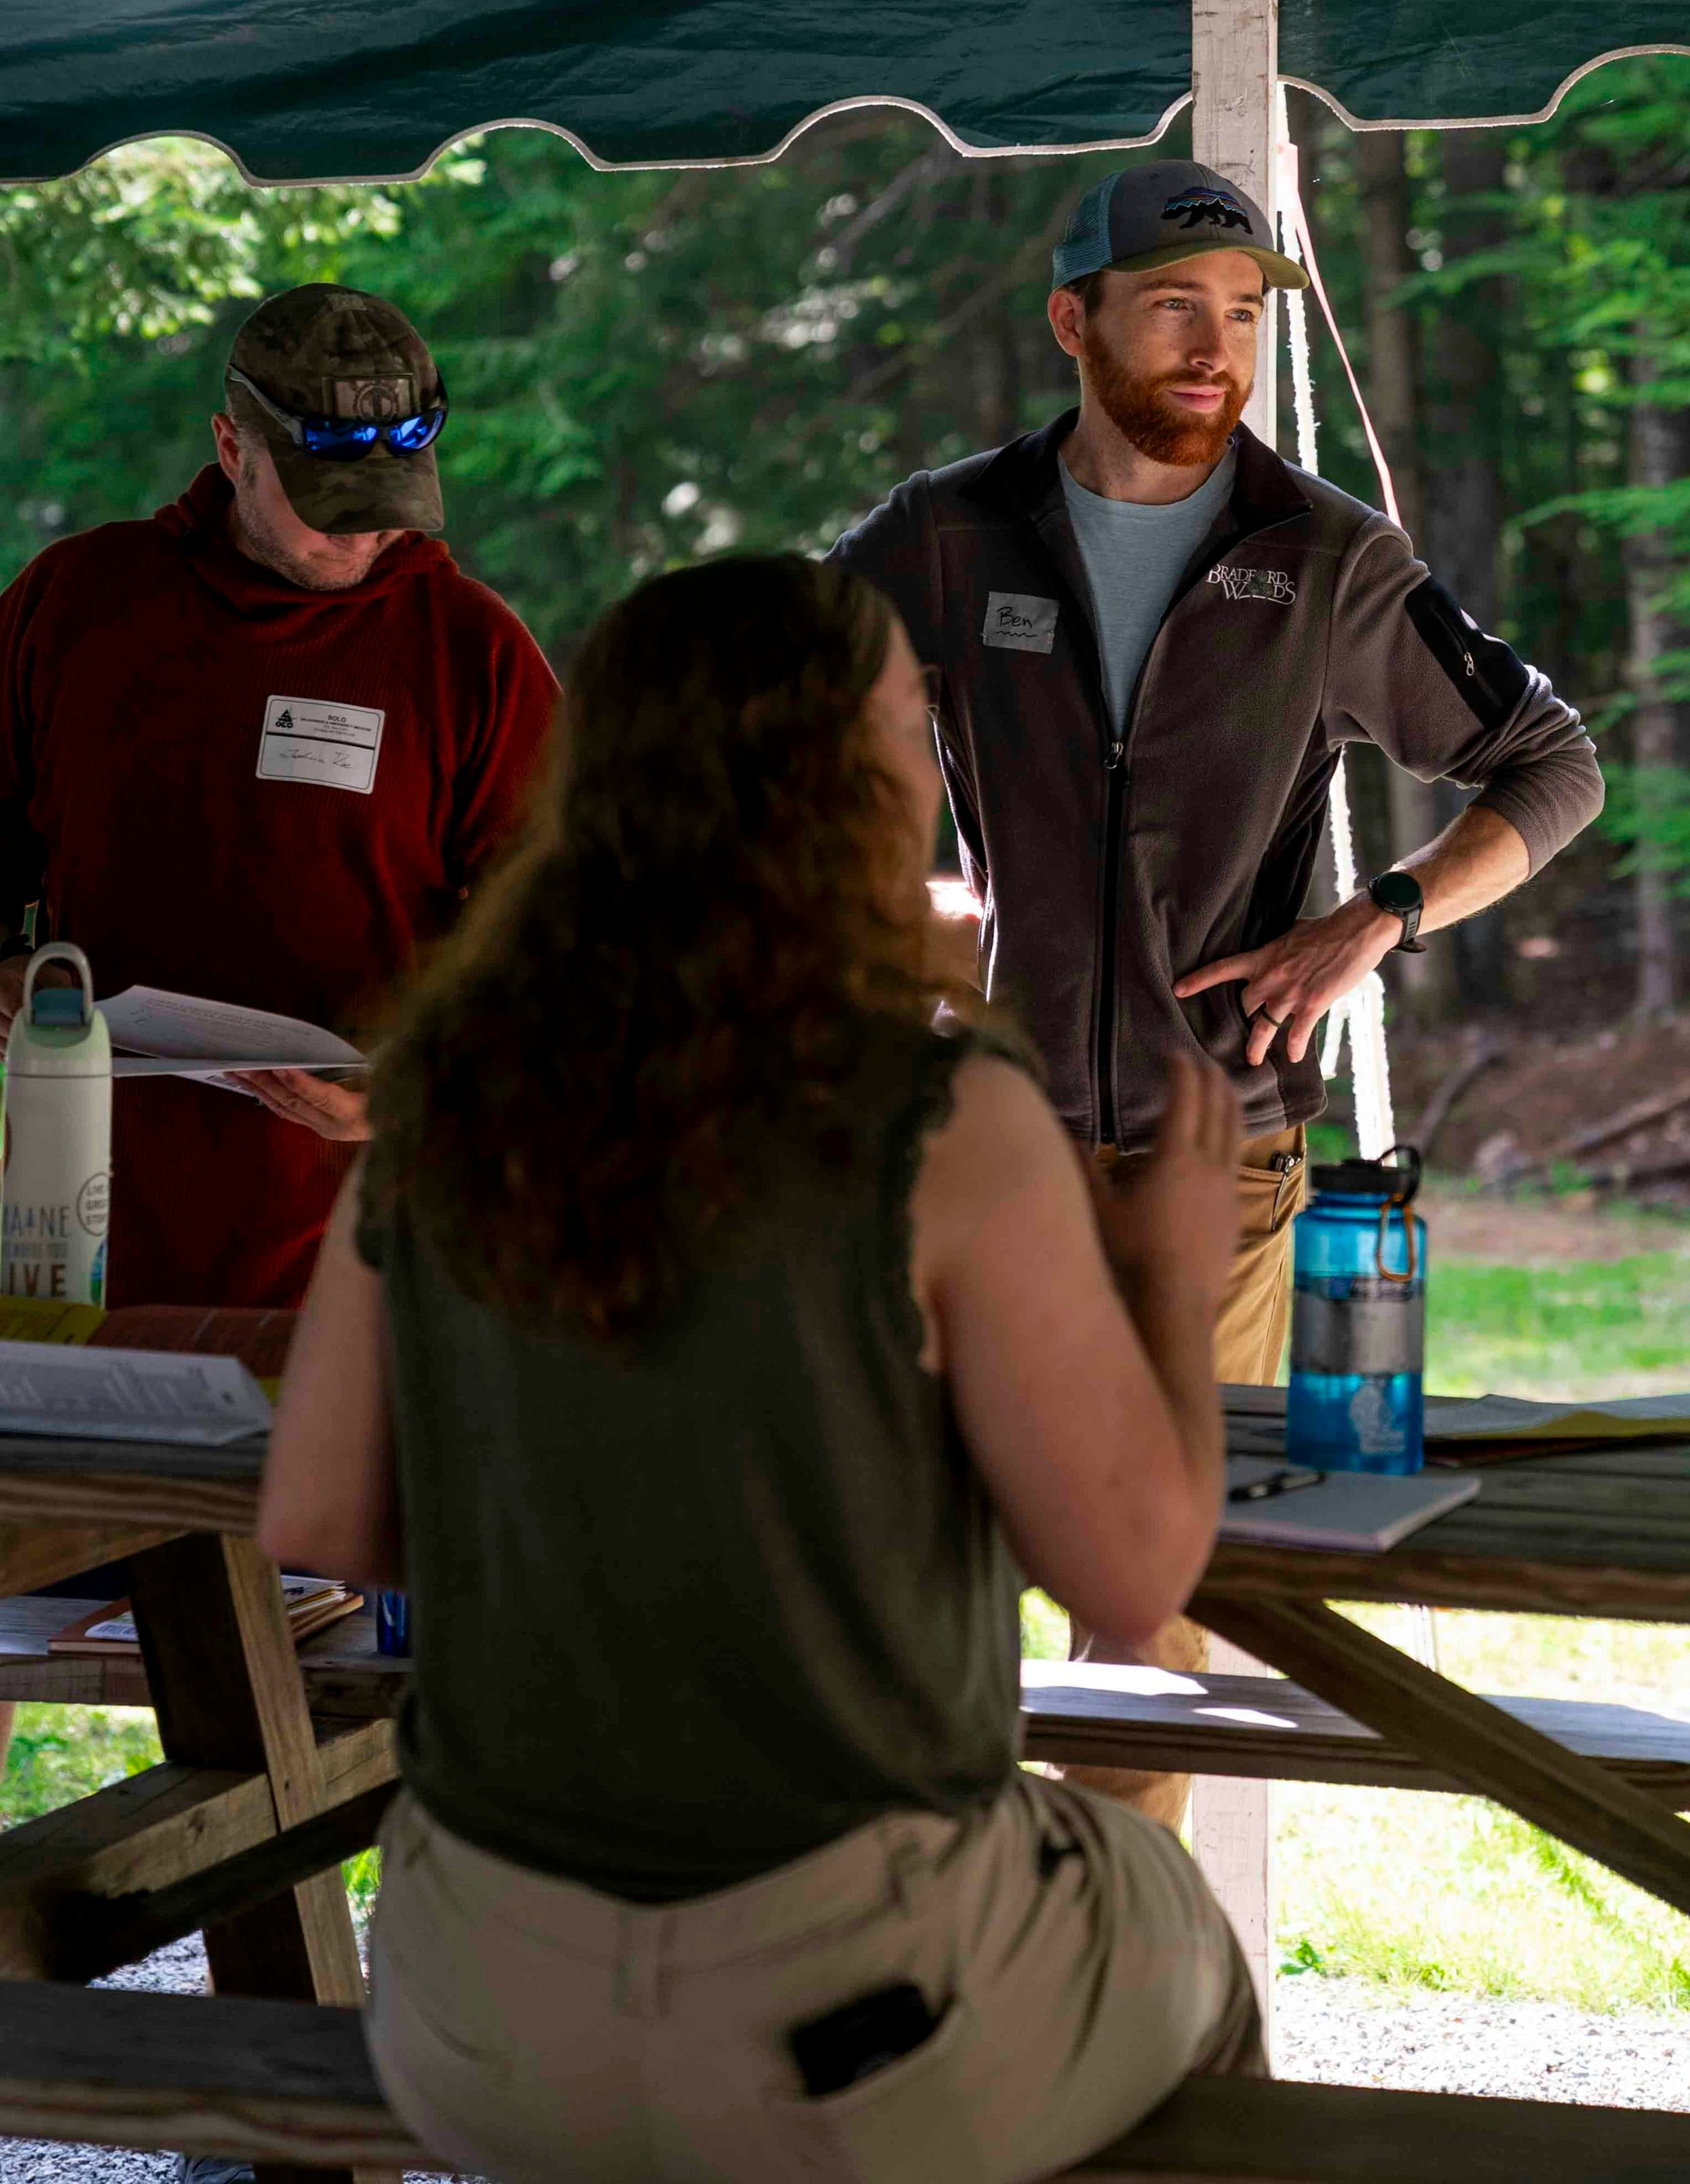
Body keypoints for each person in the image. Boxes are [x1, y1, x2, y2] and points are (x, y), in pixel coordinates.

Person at [258, 556, 1261, 2184]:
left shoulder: (451, 1095)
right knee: (1163, 1914)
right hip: (847, 2021)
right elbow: (1133, 1576)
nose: (940, 773)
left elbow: (321, 1513)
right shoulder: (946, 1119)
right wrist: (1168, 1281)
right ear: (844, 787)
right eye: (917, 732)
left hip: (476, 2006)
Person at [834, 158, 1604, 1824]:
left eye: (1243, 313)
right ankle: (930, 1971)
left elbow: (1550, 767)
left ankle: (1110, 2013)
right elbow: (771, 759)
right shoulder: (941, 539)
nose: (1214, 346)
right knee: (914, 1575)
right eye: (1175, 305)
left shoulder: (1322, 555)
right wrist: (895, 912)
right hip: (968, 1157)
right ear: (1076, 320)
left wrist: (1377, 918)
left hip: (1223, 1169)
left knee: (1148, 1609)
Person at [0, 283, 555, 1307]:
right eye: (328, 502)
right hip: (66, 1223)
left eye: (390, 505)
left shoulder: (473, 655)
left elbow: (571, 954)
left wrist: (415, 1092)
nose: (361, 538)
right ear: (230, 448)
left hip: (364, 1250)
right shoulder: (78, 604)